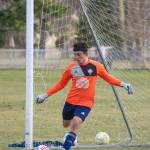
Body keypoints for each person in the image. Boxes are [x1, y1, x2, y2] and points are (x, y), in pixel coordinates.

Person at [36, 42, 133, 150]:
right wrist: (45, 95)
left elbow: (108, 78)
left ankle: (67, 145)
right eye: (75, 55)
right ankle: (72, 137)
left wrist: (123, 84)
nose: (77, 57)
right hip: (70, 102)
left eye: (79, 55)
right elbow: (61, 84)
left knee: (75, 123)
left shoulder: (96, 66)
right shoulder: (71, 67)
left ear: (86, 53)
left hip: (86, 103)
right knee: (66, 124)